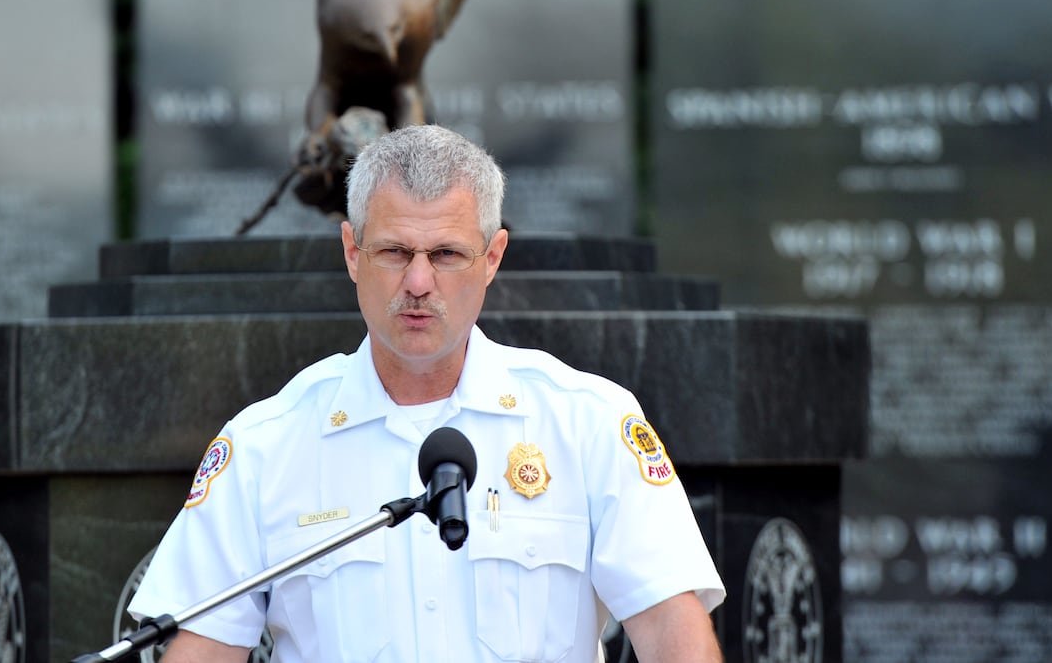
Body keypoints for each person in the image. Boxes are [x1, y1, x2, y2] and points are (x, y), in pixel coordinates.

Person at [130, 125, 725, 662]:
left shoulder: (589, 422)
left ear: (492, 258)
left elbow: (677, 637)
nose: (418, 282)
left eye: (446, 254)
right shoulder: (265, 445)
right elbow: (201, 651)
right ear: (352, 253)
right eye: (393, 252)